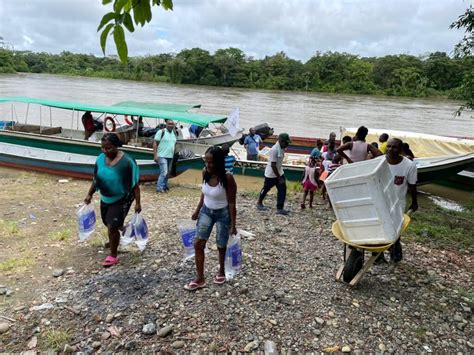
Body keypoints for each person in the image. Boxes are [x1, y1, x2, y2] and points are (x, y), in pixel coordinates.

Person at [84, 133, 141, 267]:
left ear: (116, 146)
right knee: (107, 221)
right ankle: (122, 231)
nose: (105, 151)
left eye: (108, 148)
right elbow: (96, 179)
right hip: (106, 197)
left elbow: (135, 184)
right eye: (102, 148)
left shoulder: (128, 162)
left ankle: (113, 255)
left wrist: (138, 202)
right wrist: (89, 194)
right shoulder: (99, 159)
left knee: (112, 226)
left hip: (123, 197)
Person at [185, 146, 237, 291]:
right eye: (206, 161)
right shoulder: (205, 172)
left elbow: (232, 202)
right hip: (206, 211)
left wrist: (233, 225)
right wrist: (197, 210)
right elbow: (204, 193)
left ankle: (221, 270)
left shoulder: (227, 178)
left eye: (211, 162)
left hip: (223, 214)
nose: (208, 165)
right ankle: (200, 278)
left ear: (219, 162)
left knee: (221, 245)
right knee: (198, 243)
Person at [385, 138, 418, 262]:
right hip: (380, 200)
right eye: (388, 146)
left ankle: (395, 252)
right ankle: (378, 255)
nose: (390, 149)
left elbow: (412, 185)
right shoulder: (380, 162)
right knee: (380, 227)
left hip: (398, 204)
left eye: (394, 147)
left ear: (401, 149)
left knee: (395, 230)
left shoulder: (409, 165)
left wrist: (414, 202)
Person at [256, 133, 291, 215]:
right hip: (271, 174)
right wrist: (279, 178)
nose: (287, 144)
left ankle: (280, 208)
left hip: (279, 171)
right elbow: (273, 165)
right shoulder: (274, 150)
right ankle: (259, 203)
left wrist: (280, 176)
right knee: (266, 188)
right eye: (286, 142)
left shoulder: (281, 148)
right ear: (281, 141)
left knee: (282, 189)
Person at [153, 119, 177, 193]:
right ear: (166, 124)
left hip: (170, 156)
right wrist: (155, 155)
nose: (170, 125)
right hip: (162, 155)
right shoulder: (161, 132)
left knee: (168, 172)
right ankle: (159, 188)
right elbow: (155, 143)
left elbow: (174, 144)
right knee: (164, 172)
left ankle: (164, 186)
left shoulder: (174, 133)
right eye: (169, 124)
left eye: (172, 124)